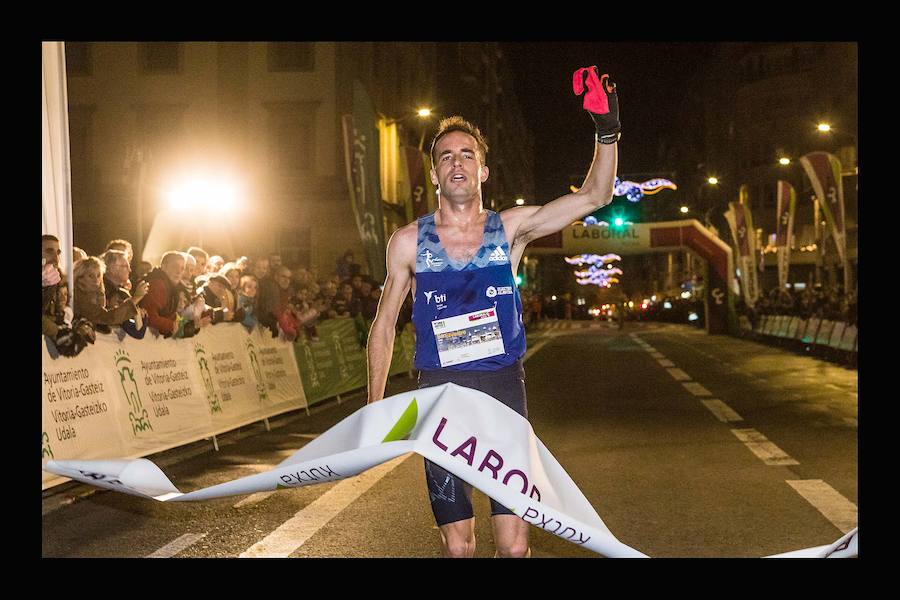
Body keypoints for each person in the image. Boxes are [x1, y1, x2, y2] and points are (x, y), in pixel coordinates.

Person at [364, 67, 620, 559]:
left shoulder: (512, 229)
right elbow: (383, 326)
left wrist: (606, 130)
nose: (456, 163)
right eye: (446, 157)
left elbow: (596, 195)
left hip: (503, 390)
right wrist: (376, 408)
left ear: (483, 170)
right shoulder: (409, 241)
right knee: (458, 547)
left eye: (467, 155)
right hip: (439, 398)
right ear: (435, 174)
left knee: (515, 544)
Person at [72, 256, 146, 333]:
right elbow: (106, 317)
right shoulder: (81, 296)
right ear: (79, 278)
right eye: (90, 276)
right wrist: (135, 299)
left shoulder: (98, 294)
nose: (96, 280)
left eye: (98, 275)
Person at [140, 251, 188, 337]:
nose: (179, 271)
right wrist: (172, 326)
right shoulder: (157, 284)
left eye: (182, 268)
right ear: (163, 267)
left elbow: (169, 315)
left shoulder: (172, 287)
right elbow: (149, 317)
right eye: (175, 266)